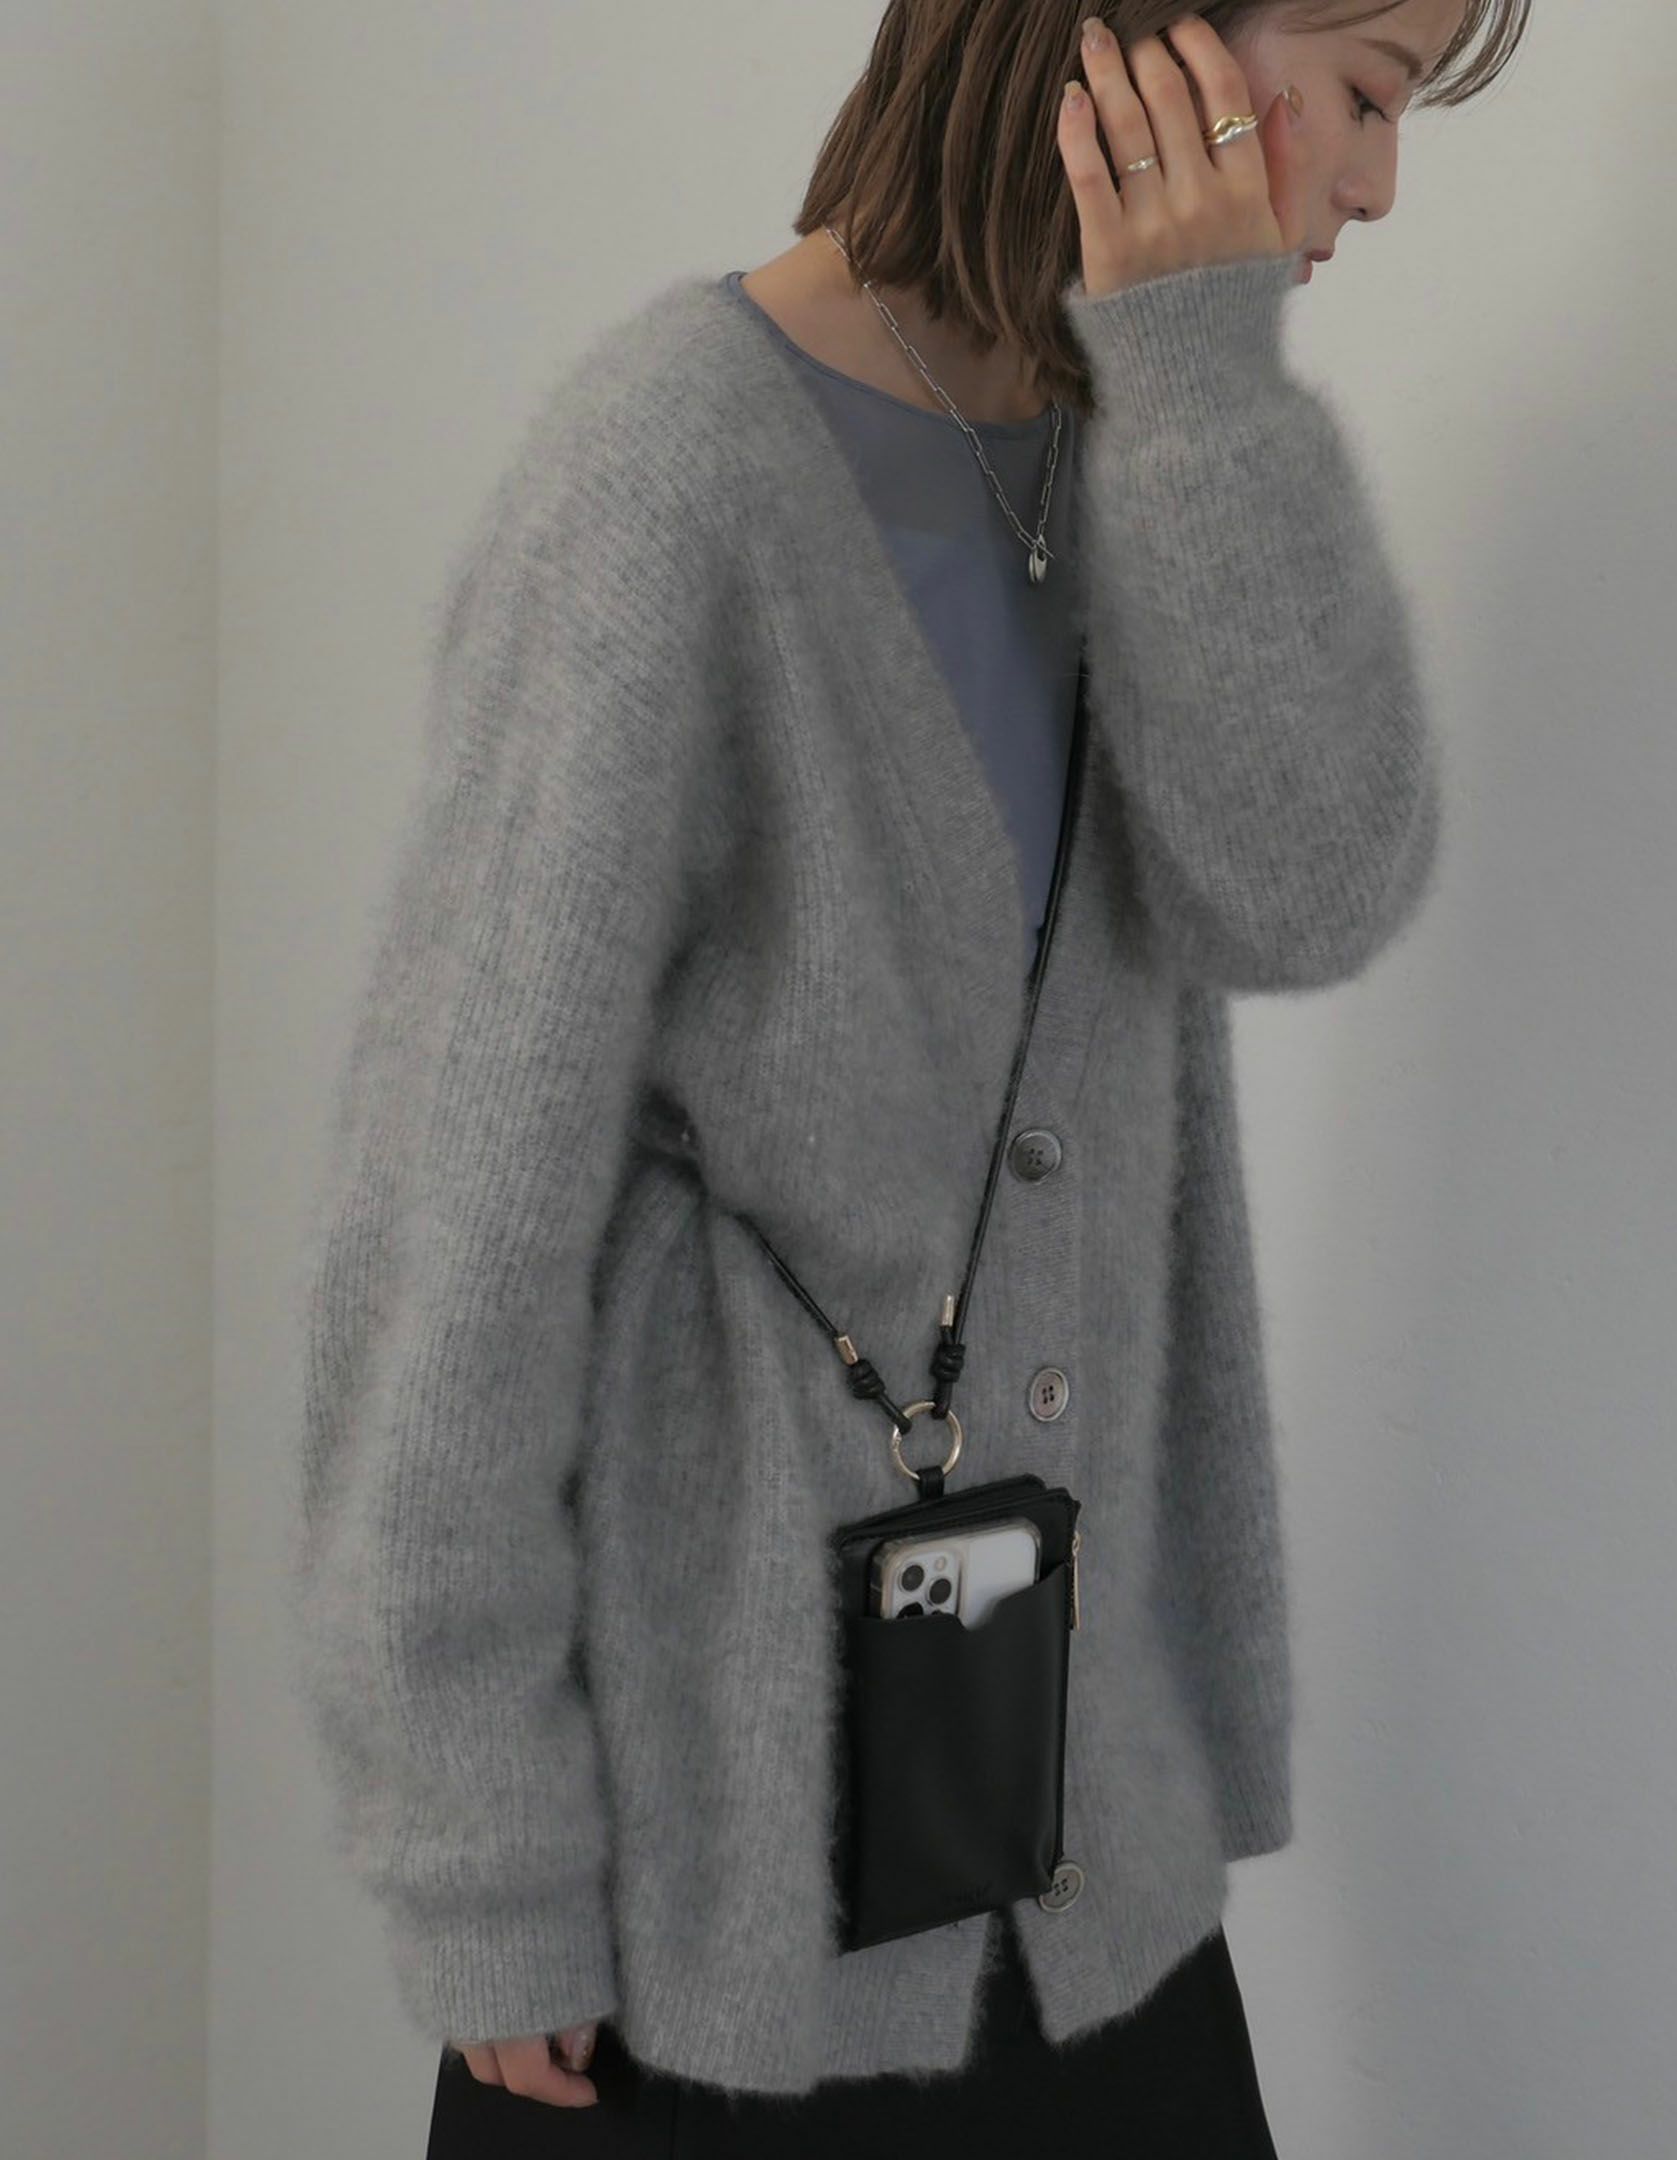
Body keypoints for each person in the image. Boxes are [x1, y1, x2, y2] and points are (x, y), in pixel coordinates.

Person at [287, 1, 1522, 2151]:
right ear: (1143, 37)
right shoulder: (673, 474)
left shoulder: (1140, 447)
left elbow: (1310, 893)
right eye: (1363, 91)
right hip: (708, 1917)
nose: (1376, 181)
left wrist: (1204, 384)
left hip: (1080, 1854)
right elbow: (449, 1233)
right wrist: (480, 1865)